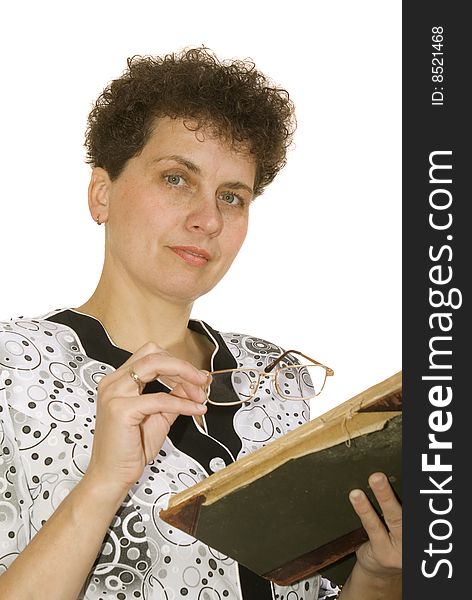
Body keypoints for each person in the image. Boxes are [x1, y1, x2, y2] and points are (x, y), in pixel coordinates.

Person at [0, 47, 401, 599]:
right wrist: (103, 484)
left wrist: (377, 576)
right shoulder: (14, 371)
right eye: (175, 179)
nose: (207, 219)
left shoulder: (274, 377)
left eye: (231, 197)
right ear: (101, 194)